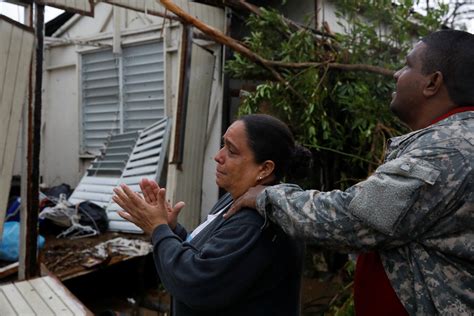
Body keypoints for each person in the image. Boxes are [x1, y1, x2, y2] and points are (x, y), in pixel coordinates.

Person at [226, 29, 474, 315]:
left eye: (407, 65)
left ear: (432, 82)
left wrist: (267, 197)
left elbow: (351, 219)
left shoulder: (446, 152)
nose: (396, 74)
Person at [112, 114, 312, 316]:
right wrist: (173, 230)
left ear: (265, 168)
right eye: (222, 145)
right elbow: (209, 256)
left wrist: (159, 229)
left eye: (232, 151)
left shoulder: (256, 222)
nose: (218, 156)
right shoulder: (236, 199)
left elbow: (194, 282)